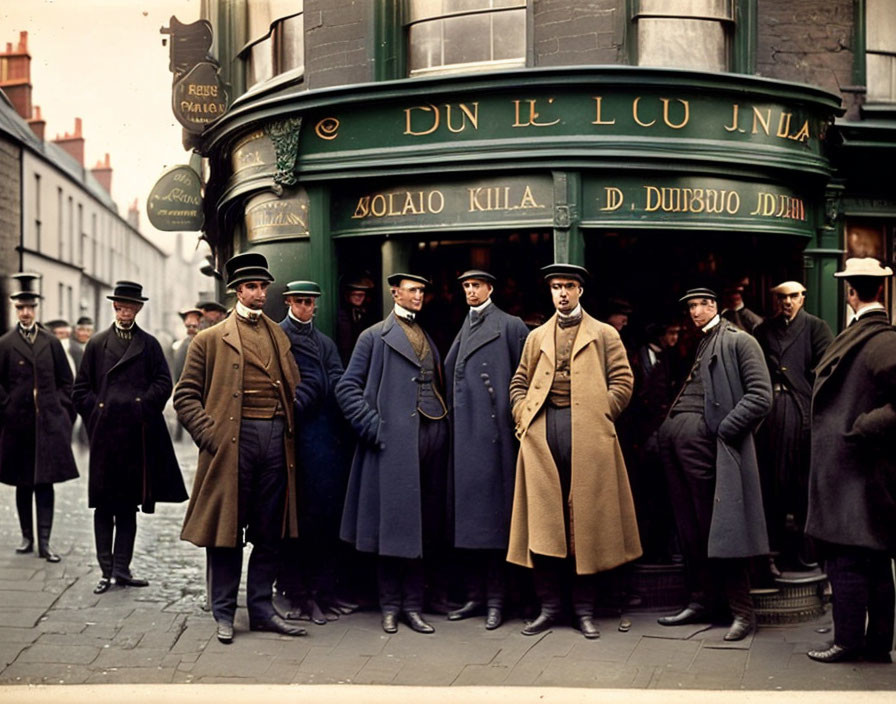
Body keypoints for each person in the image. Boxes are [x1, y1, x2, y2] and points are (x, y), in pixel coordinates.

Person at [175, 253, 306, 644]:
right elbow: (184, 397)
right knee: (226, 532)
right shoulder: (209, 339)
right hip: (232, 444)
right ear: (237, 291)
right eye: (251, 287)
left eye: (263, 286)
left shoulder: (277, 335)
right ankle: (224, 613)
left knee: (269, 532)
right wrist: (211, 437)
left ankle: (263, 610)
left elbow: (292, 386)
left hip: (274, 442)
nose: (259, 293)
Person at [507, 263, 641, 639]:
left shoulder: (604, 333)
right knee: (546, 524)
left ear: (580, 290)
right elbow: (519, 381)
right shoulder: (536, 337)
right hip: (543, 434)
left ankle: (584, 611)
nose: (562, 294)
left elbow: (623, 380)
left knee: (586, 524)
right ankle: (549, 608)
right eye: (555, 288)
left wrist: (602, 413)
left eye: (568, 286)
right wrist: (522, 411)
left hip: (589, 437)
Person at [656, 287, 772, 641]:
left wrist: (722, 429)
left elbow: (761, 396)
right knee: (690, 529)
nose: (694, 312)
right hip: (679, 443)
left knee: (722, 530)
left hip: (710, 446)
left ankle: (742, 612)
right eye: (690, 306)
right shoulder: (704, 341)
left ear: (714, 306)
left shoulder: (740, 340)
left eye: (700, 305)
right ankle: (702, 601)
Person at [337, 272, 449, 635]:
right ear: (395, 293)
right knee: (391, 529)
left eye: (422, 290)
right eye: (413, 290)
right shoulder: (373, 337)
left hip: (430, 440)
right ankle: (390, 607)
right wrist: (374, 428)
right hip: (391, 446)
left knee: (420, 528)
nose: (419, 296)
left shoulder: (426, 335)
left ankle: (414, 607)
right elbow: (346, 388)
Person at [805, 257, 896, 664]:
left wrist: (863, 428)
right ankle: (876, 643)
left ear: (850, 292)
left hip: (858, 468)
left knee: (846, 556)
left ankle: (849, 641)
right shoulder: (874, 334)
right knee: (873, 557)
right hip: (857, 470)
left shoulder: (882, 339)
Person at [73, 281, 188, 595]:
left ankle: (122, 570)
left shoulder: (149, 345)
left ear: (138, 309)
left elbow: (164, 383)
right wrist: (96, 413)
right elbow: (80, 390)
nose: (125, 313)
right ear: (114, 308)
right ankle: (105, 571)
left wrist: (144, 406)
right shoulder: (96, 344)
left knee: (127, 506)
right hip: (106, 437)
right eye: (120, 307)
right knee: (103, 507)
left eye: (131, 307)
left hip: (136, 437)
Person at [443, 269, 529, 630]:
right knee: (470, 525)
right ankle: (476, 596)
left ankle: (496, 601)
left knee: (495, 524)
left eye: (476, 285)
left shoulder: (510, 326)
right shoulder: (466, 324)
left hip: (495, 440)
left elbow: (524, 379)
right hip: (466, 438)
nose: (470, 291)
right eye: (465, 286)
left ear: (490, 288)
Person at [277, 280, 353, 622]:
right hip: (295, 440)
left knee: (325, 518)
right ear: (289, 302)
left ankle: (324, 592)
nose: (307, 308)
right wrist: (306, 395)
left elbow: (338, 378)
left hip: (326, 441)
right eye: (301, 302)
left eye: (311, 303)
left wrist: (337, 392)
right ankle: (299, 596)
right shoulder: (279, 338)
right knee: (297, 521)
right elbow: (279, 383)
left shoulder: (324, 342)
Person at [753, 281, 833, 575]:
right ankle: (770, 554)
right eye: (782, 298)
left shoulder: (816, 327)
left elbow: (827, 369)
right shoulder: (763, 331)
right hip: (772, 414)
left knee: (801, 485)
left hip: (802, 412)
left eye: (793, 297)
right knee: (771, 484)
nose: (787, 302)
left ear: (803, 297)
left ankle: (803, 552)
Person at [0, 273, 79, 562]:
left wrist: (61, 413)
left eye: (30, 307)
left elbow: (67, 383)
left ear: (37, 308)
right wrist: (7, 407)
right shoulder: (5, 343)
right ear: (14, 309)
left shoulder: (51, 342)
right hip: (17, 426)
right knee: (23, 483)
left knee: (45, 483)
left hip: (48, 425)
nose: (25, 312)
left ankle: (45, 542)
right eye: (20, 307)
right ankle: (27, 537)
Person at [335, 278, 377, 364]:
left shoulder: (367, 314)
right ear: (348, 296)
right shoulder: (342, 314)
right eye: (355, 295)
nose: (359, 298)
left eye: (362, 295)